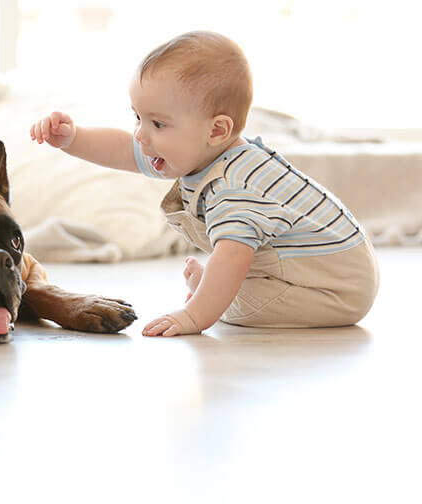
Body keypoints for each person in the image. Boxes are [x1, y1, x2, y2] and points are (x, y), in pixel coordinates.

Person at [29, 30, 379, 336]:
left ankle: (208, 292)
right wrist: (72, 138)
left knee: (232, 303)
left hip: (333, 291)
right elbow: (124, 149)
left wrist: (194, 314)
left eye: (158, 124)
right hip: (321, 271)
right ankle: (211, 289)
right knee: (223, 284)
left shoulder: (234, 188)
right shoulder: (200, 151)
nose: (141, 134)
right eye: (138, 117)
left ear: (217, 130)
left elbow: (232, 259)